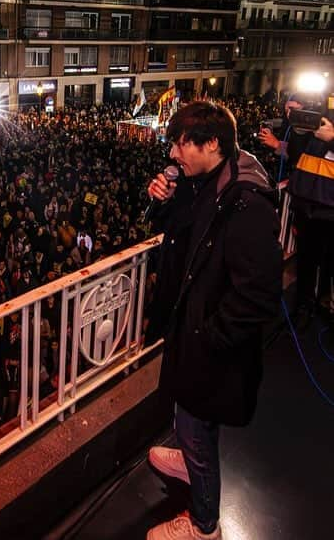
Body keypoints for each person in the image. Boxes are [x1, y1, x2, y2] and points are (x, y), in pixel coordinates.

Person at [144, 101, 282, 540]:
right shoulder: (206, 180)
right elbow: (184, 235)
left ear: (212, 145)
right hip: (195, 324)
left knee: (195, 421)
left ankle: (204, 523)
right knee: (192, 416)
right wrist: (162, 204)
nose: (173, 154)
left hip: (212, 342)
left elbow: (258, 295)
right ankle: (188, 457)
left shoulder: (246, 204)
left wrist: (209, 336)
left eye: (182, 144)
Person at [258, 97, 334, 319]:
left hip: (330, 208)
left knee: (330, 263)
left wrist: (332, 140)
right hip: (306, 203)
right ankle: (304, 304)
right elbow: (297, 157)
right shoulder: (321, 111)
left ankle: (326, 305)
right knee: (306, 260)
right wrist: (299, 128)